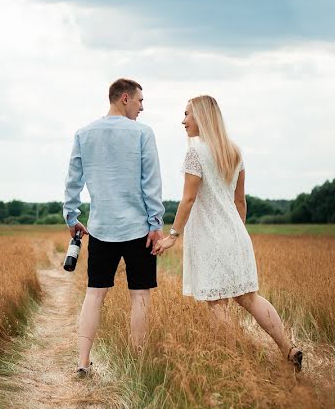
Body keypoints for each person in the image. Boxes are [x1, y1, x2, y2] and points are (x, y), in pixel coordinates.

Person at [152, 95, 304, 371]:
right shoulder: (234, 151)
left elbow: (187, 200)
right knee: (249, 298)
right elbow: (240, 201)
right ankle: (288, 349)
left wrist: (173, 234)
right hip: (236, 235)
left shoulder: (196, 153)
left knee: (217, 304)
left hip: (211, 239)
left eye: (187, 115)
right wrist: (236, 234)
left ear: (202, 118)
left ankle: (234, 366)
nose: (183, 121)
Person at [63, 78, 165, 376]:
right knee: (140, 296)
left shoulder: (84, 134)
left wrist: (72, 218)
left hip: (101, 228)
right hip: (138, 230)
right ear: (124, 98)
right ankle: (136, 363)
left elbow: (73, 181)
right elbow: (151, 183)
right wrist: (155, 224)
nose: (142, 107)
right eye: (140, 101)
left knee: (94, 294)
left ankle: (82, 362)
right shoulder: (143, 134)